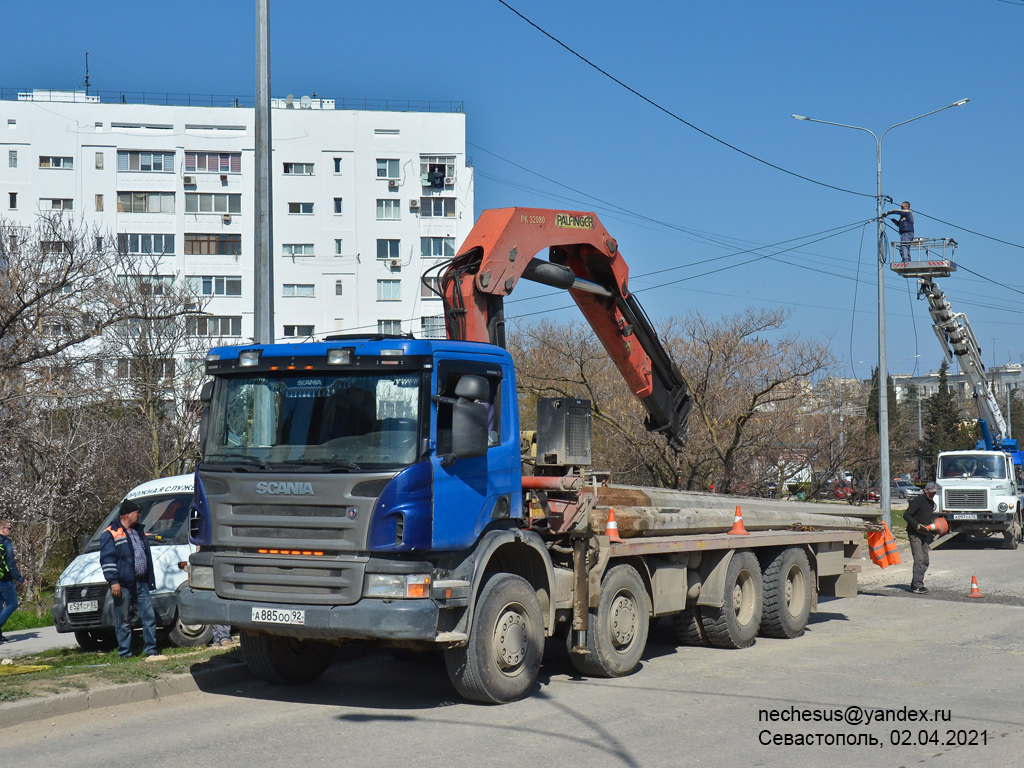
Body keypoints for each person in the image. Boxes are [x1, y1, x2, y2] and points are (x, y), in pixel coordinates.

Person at [99, 500, 163, 659]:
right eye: (136, 512)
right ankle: (125, 653)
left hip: (141, 582)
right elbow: (107, 559)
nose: (139, 515)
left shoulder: (137, 531)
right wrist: (114, 581)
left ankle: (151, 651)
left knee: (149, 617)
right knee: (123, 620)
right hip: (123, 584)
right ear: (127, 514)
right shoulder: (111, 532)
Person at [903, 481, 939, 594]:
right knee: (919, 559)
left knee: (925, 561)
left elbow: (927, 519)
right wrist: (916, 525)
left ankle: (915, 583)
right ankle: (918, 585)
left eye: (934, 493)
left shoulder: (931, 503)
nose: (932, 494)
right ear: (925, 490)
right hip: (914, 533)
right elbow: (906, 515)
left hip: (924, 534)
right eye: (931, 492)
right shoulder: (919, 500)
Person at [0, 520, 26, 644]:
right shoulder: (6, 542)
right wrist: (20, 578)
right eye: (9, 528)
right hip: (4, 579)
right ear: (2, 529)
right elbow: (10, 563)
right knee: (12, 603)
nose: (10, 530)